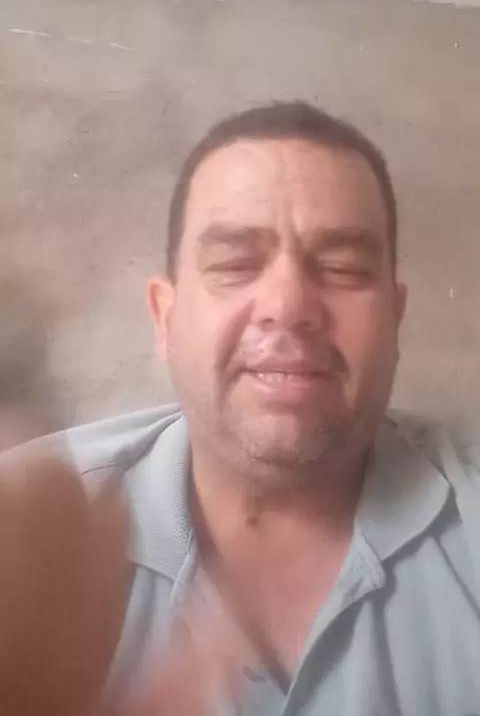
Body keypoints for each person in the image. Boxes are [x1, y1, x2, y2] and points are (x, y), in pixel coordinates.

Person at [1, 101, 480, 716]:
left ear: (394, 315)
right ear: (164, 318)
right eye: (234, 265)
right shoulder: (22, 537)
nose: (287, 305)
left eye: (342, 267)